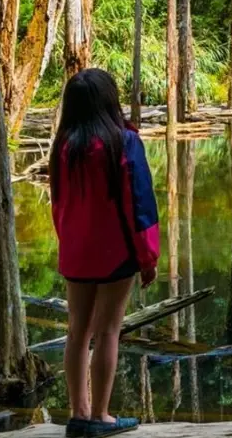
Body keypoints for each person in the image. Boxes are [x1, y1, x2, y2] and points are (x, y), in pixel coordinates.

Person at [49, 68, 160, 437]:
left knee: (77, 330)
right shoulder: (123, 143)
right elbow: (140, 205)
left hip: (76, 252)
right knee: (109, 330)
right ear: (108, 101)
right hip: (116, 252)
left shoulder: (64, 146)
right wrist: (148, 257)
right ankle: (101, 416)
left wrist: (67, 243)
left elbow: (58, 205)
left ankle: (78, 414)